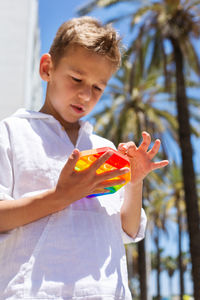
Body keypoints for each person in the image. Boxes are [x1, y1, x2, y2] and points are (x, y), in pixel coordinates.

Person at [0, 17, 168, 299]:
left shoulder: (105, 149)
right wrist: (61, 196)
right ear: (47, 68)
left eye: (98, 88)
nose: (85, 95)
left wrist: (134, 183)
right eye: (77, 79)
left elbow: (127, 230)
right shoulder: (12, 132)